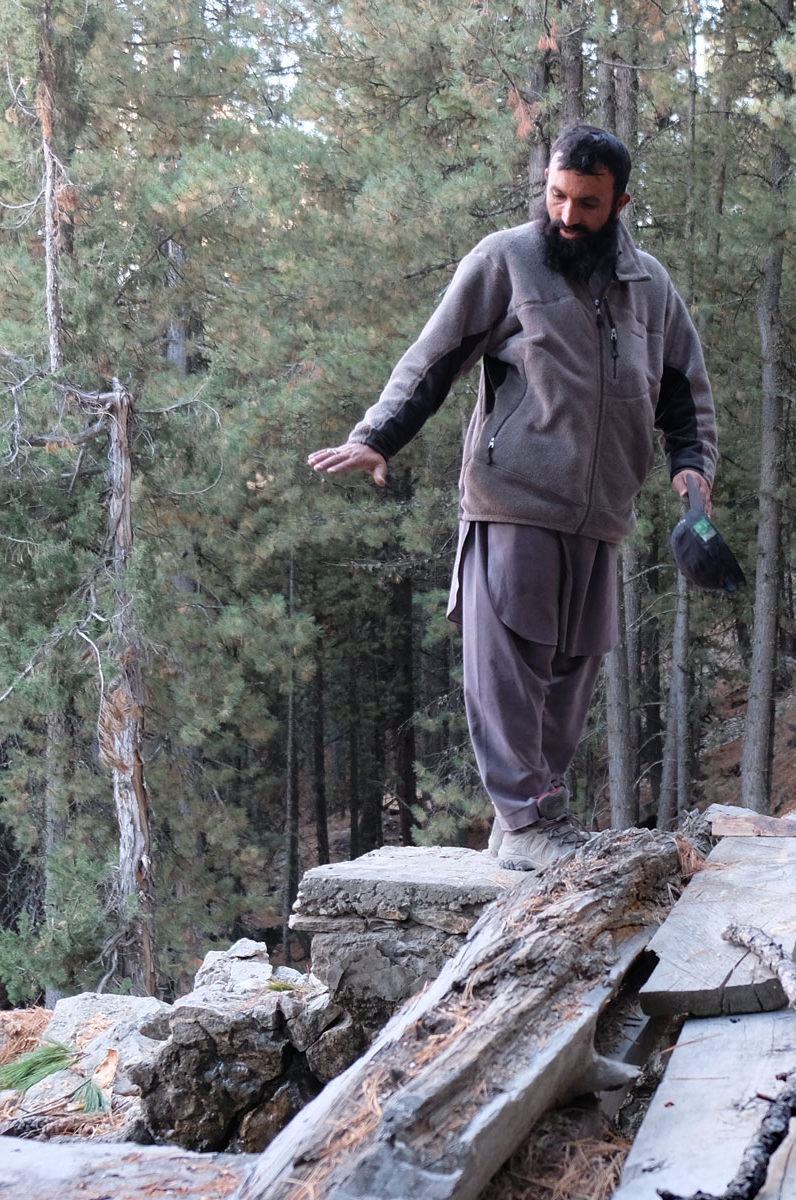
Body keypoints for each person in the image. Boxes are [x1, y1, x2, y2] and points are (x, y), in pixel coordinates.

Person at [308, 125, 717, 870]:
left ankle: (531, 821)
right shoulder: (508, 260)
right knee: (509, 666)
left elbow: (685, 399)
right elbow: (433, 357)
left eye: (587, 203)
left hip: (601, 519)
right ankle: (525, 818)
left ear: (620, 202)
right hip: (514, 500)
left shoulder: (651, 288)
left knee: (574, 668)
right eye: (557, 195)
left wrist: (693, 472)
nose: (566, 214)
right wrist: (379, 435)